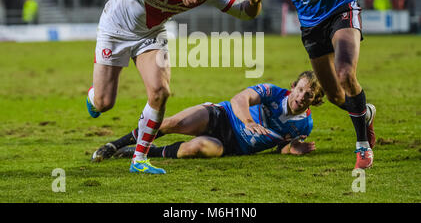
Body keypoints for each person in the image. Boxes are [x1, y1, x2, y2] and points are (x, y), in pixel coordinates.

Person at [86, 0, 269, 174]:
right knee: (104, 103)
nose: (194, 1)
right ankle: (93, 97)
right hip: (115, 29)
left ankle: (139, 159)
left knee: (161, 92)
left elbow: (245, 13)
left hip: (150, 35)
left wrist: (255, 2)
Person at [222, 0, 376, 169]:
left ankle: (362, 147)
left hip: (341, 9)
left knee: (345, 74)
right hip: (310, 25)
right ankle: (366, 113)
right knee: (336, 96)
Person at [91, 71, 324, 161]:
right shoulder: (272, 92)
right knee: (173, 123)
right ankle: (115, 144)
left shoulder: (305, 125)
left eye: (309, 94)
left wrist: (292, 149)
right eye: (300, 89)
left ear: (315, 100)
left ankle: (139, 152)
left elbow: (279, 147)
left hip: (232, 146)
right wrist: (248, 121)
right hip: (222, 116)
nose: (301, 96)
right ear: (293, 86)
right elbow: (239, 99)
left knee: (197, 148)